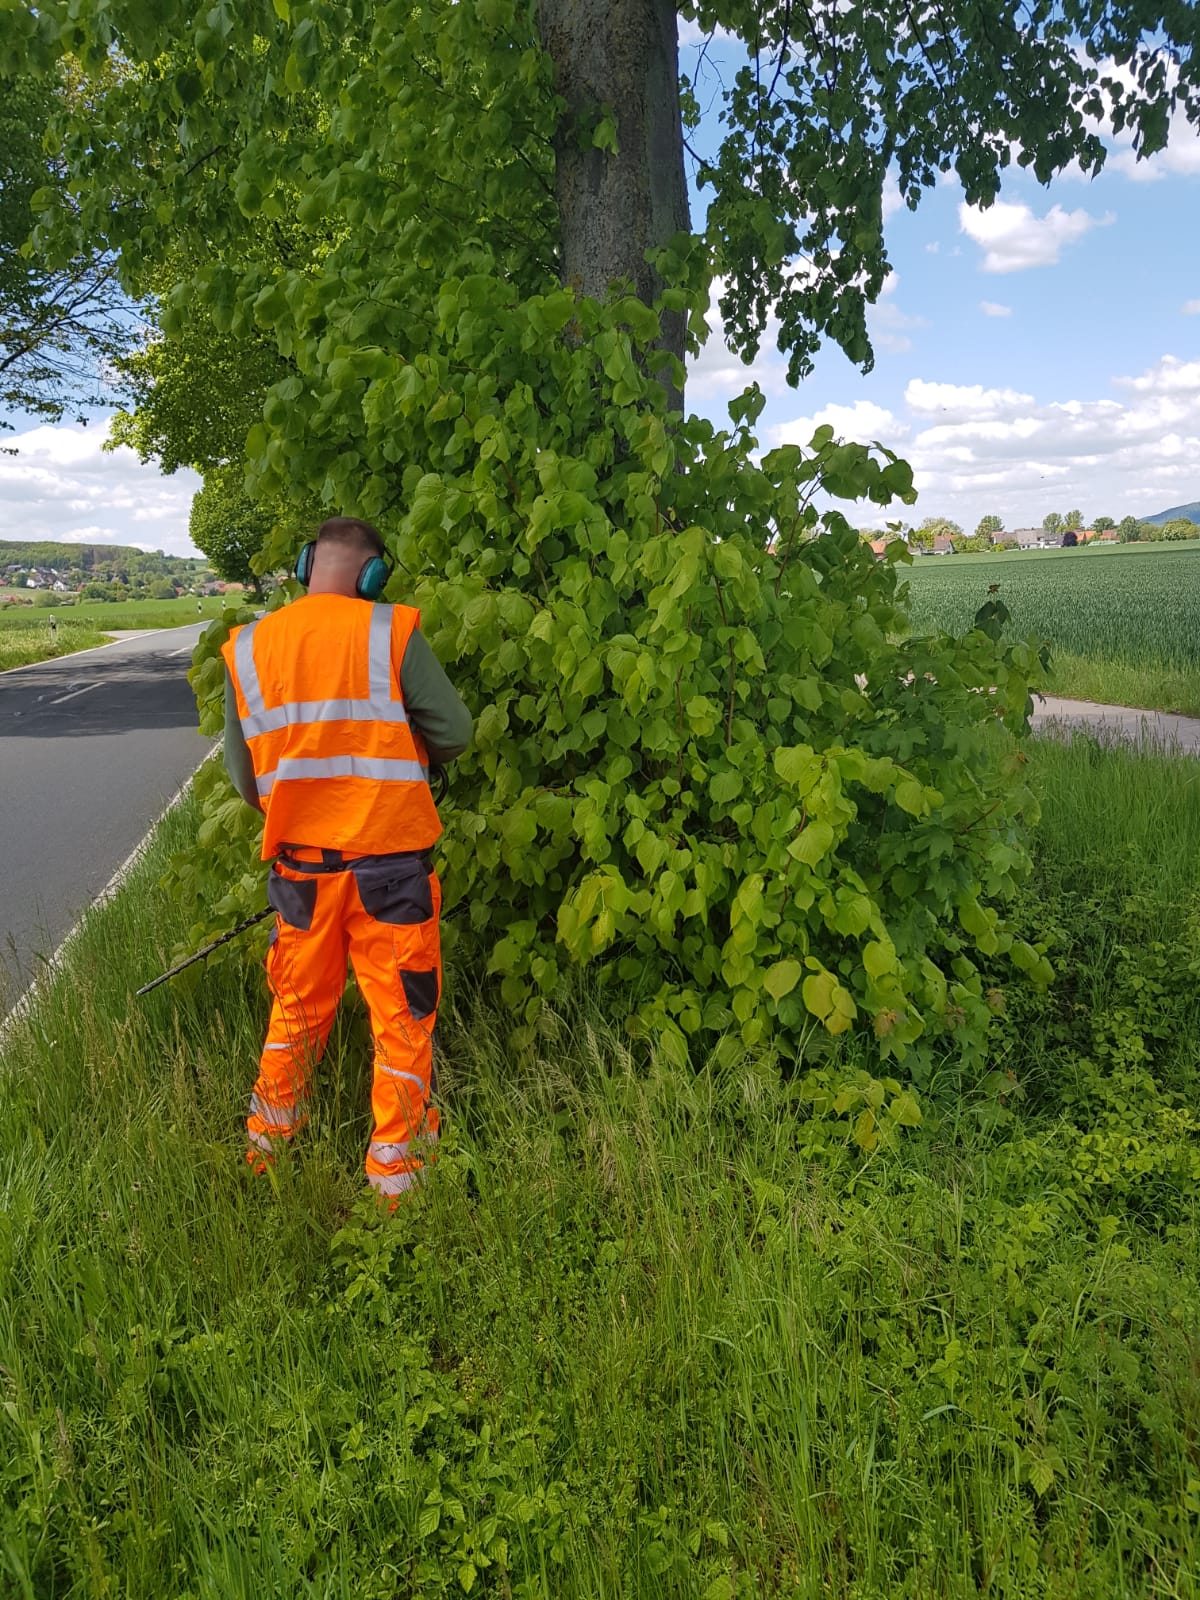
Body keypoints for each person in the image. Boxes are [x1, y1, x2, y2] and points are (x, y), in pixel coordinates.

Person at [220, 516, 472, 1199]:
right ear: (372, 574)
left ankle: (266, 1156)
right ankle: (397, 1182)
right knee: (401, 1020)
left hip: (302, 876)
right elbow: (455, 731)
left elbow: (245, 780)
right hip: (391, 874)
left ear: (307, 564)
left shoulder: (250, 646)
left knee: (295, 1013)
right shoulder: (390, 632)